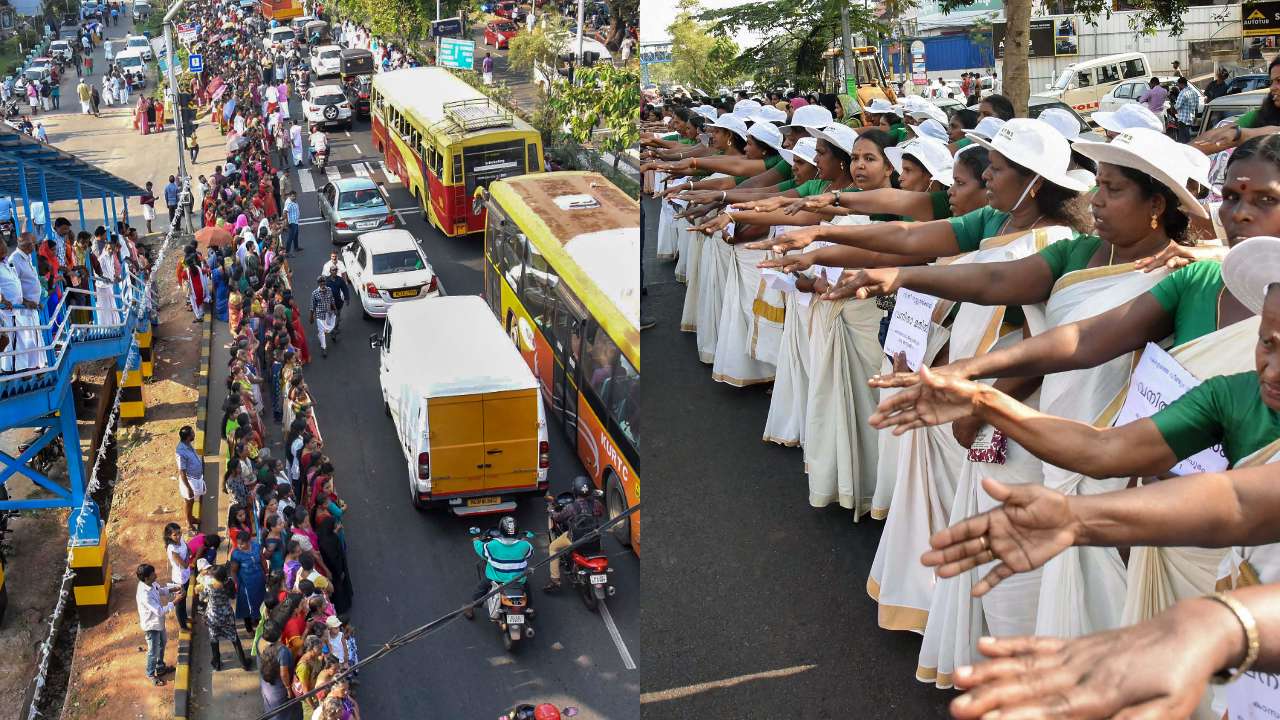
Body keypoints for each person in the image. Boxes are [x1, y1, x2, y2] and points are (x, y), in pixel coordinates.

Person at [464, 515, 533, 620]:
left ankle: (472, 606)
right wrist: (525, 540)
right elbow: (530, 555)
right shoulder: (525, 545)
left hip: (496, 579)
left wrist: (476, 540)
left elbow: (480, 550)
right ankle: (529, 608)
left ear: (501, 530)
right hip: (518, 580)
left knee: (481, 589)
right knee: (527, 588)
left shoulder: (492, 545)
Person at [543, 476, 605, 592]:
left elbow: (558, 518)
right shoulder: (596, 504)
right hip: (593, 538)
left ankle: (555, 579)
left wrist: (551, 511)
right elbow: (600, 513)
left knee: (553, 547)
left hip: (575, 539)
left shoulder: (571, 507)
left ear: (575, 491)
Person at [135, 563, 181, 686]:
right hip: (151, 626)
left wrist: (172, 589)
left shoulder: (152, 584)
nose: (156, 575)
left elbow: (159, 590)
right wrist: (175, 601)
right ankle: (150, 673)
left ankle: (160, 666)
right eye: (153, 574)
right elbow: (159, 611)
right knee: (153, 650)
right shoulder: (144, 595)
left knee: (163, 643)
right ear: (146, 578)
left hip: (158, 623)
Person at [1173, 75, 1200, 143]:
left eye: (1178, 85)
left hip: (1183, 119)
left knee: (1183, 139)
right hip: (1191, 118)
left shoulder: (1183, 93)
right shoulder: (1194, 92)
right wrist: (1195, 117)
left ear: (1181, 84)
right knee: (1188, 136)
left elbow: (1177, 106)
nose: (1178, 86)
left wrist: (1173, 104)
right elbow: (1196, 107)